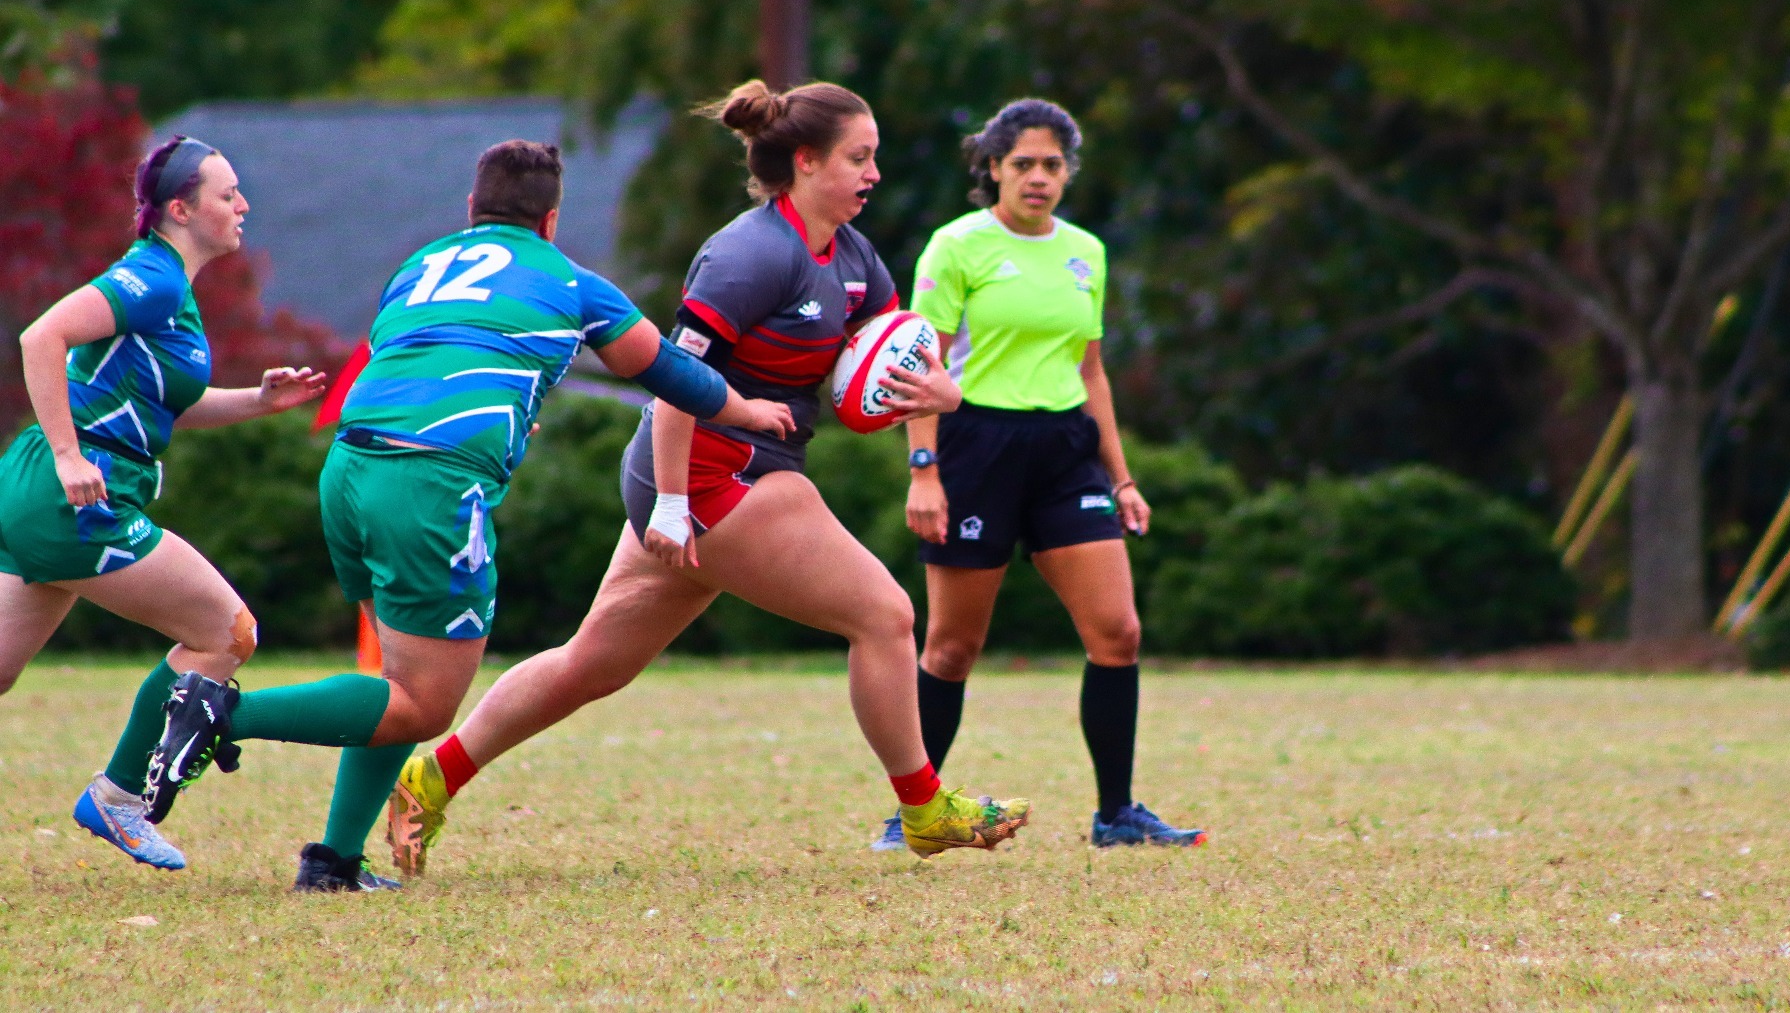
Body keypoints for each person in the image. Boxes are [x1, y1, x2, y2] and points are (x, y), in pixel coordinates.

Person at [384, 80, 1031, 877]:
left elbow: (882, 363)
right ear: (806, 161)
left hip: (737, 469)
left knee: (593, 663)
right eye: (858, 158)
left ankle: (429, 777)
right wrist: (674, 503)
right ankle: (924, 808)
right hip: (704, 470)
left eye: (874, 158)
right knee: (886, 615)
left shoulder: (855, 256)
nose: (874, 174)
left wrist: (940, 393)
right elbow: (673, 380)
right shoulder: (749, 254)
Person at [131, 139, 795, 891]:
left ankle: (334, 861)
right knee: (423, 704)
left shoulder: (419, 266)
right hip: (430, 484)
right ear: (550, 220)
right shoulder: (571, 281)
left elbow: (419, 360)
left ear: (472, 209)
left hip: (349, 465)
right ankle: (222, 711)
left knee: (393, 680)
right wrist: (748, 410)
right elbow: (672, 372)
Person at [871, 99, 1204, 852]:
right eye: (1023, 163)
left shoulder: (1086, 251)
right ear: (992, 168)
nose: (1038, 178)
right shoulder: (956, 246)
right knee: (952, 647)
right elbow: (920, 365)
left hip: (1064, 452)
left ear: (1068, 173)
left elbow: (1091, 371)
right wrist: (923, 470)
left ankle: (1116, 814)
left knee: (1118, 632)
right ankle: (914, 811)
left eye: (1053, 164)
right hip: (974, 446)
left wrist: (1122, 478)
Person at [0, 136, 327, 871]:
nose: (243, 205)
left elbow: (165, 404)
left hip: (39, 489)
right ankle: (119, 798)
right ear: (181, 209)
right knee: (227, 631)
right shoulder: (154, 278)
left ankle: (117, 798)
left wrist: (258, 401)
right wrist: (69, 456)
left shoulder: (167, 283)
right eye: (227, 194)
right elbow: (41, 336)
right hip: (75, 493)